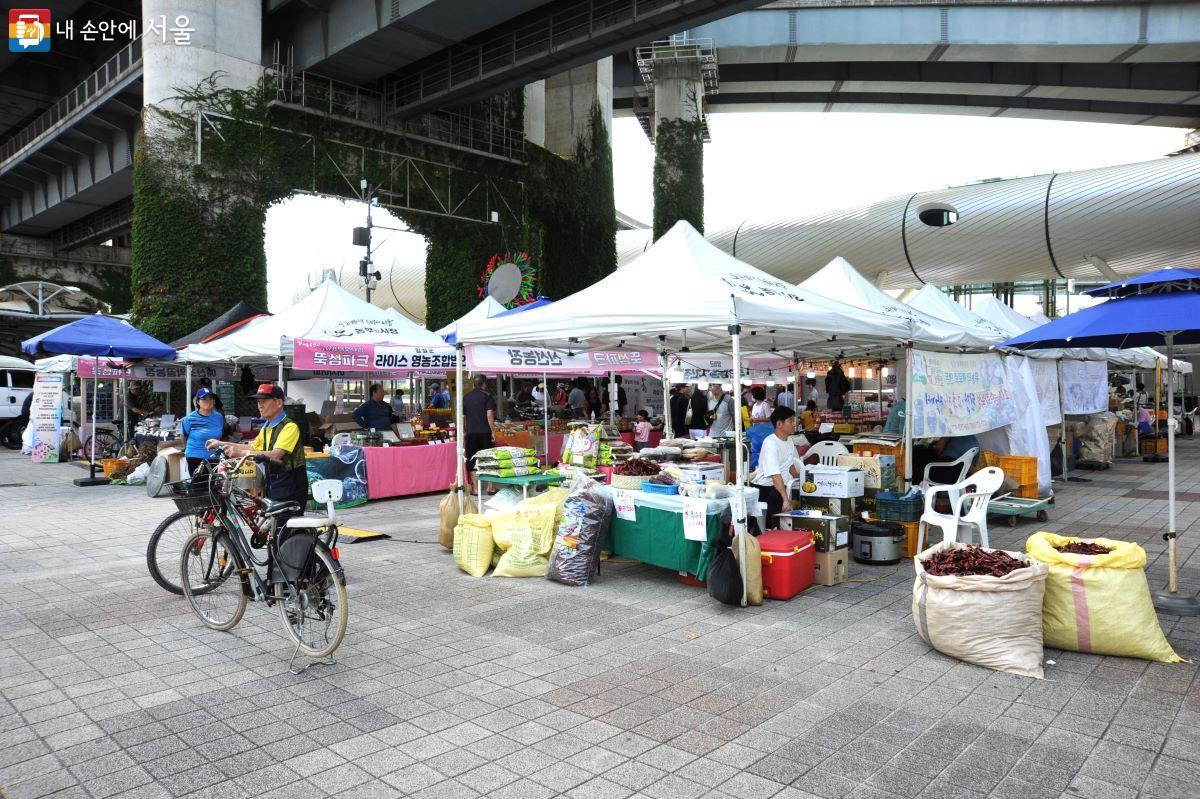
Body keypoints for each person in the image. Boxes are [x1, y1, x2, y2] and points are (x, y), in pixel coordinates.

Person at [208, 384, 308, 514]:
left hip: (291, 484)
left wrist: (241, 453)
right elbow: (252, 447)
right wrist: (220, 443)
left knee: (286, 526)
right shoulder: (267, 426)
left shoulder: (289, 427)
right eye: (258, 402)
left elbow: (276, 454)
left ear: (278, 403)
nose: (260, 405)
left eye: (264, 401)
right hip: (274, 481)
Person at [753, 406, 805, 521]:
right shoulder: (770, 443)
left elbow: (791, 466)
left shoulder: (790, 440)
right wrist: (785, 499)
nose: (794, 424)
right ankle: (771, 529)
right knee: (777, 496)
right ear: (779, 424)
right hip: (766, 487)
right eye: (790, 421)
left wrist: (802, 481)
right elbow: (775, 475)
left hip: (784, 485)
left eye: (793, 420)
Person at [180, 388, 224, 479]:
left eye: (210, 398)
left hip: (214, 456)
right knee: (199, 486)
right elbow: (184, 435)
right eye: (204, 399)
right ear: (198, 402)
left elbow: (220, 435)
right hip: (195, 456)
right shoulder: (189, 418)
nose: (208, 401)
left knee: (212, 486)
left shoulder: (218, 417)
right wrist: (185, 448)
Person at [463, 375, 497, 488]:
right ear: (484, 384)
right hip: (485, 432)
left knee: (472, 458)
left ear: (473, 384)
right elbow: (489, 414)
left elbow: (463, 416)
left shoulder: (466, 397)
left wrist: (464, 430)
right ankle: (490, 487)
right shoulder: (487, 396)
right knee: (488, 459)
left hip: (471, 432)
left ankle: (476, 489)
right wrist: (493, 431)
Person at [747, 386, 774, 467]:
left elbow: (769, 419)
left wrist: (758, 420)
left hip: (764, 433)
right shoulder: (754, 405)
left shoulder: (765, 405)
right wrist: (751, 419)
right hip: (756, 432)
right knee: (756, 452)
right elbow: (754, 417)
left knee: (763, 452)